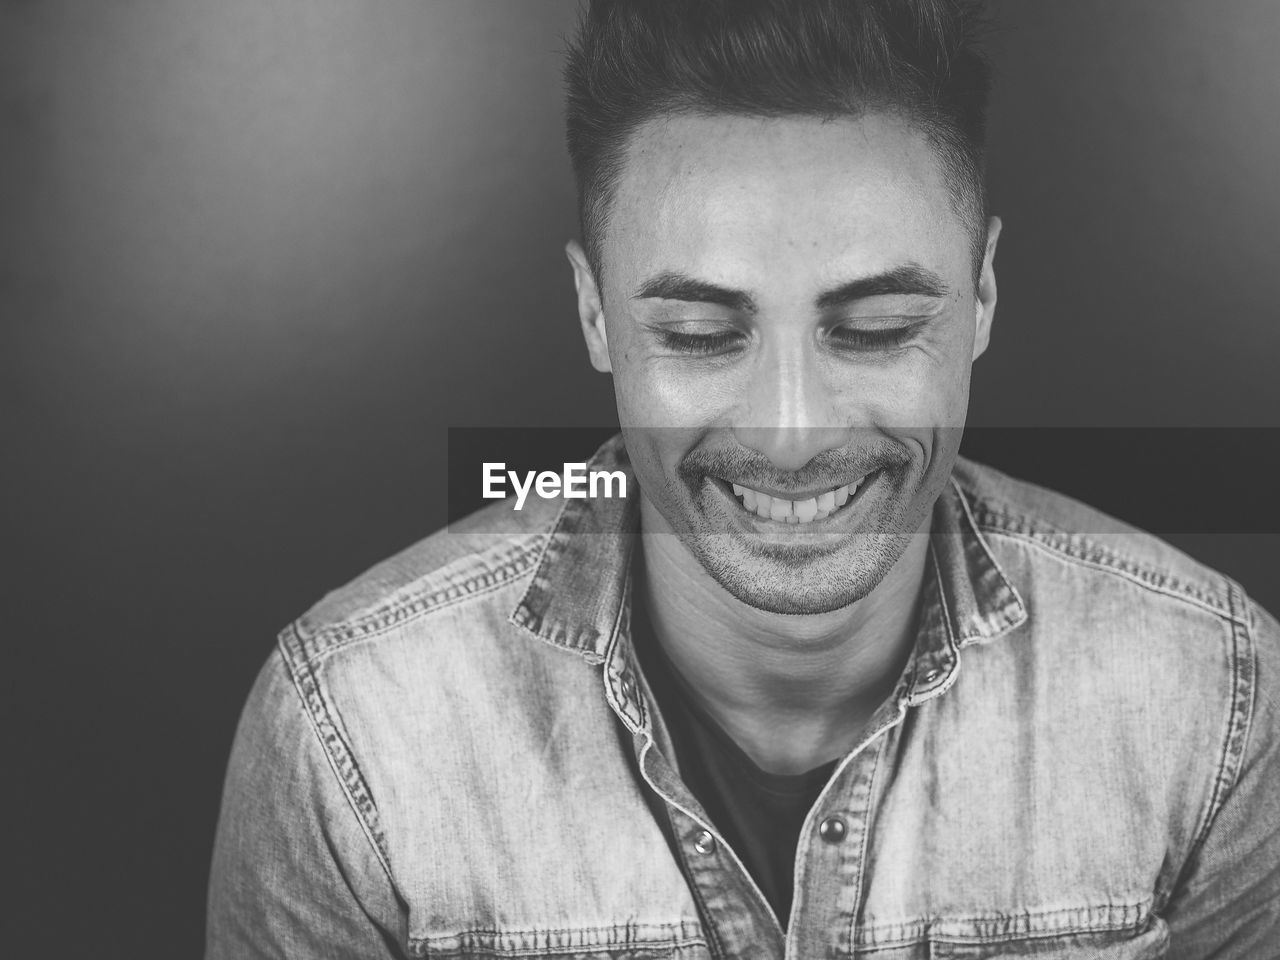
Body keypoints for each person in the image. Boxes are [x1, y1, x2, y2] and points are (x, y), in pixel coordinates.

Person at [206, 1, 1280, 957]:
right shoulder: (355, 730)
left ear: (983, 295)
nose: (790, 431)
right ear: (593, 314)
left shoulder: (1211, 693)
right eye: (699, 333)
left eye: (874, 329)